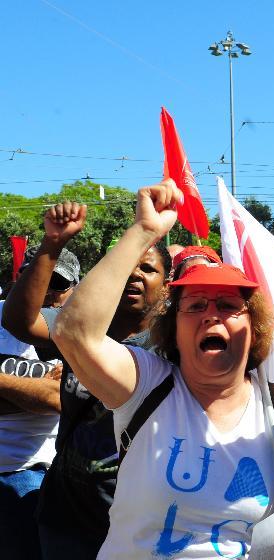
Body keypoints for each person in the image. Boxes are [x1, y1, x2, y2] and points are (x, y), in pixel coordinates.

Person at [48, 181, 274, 558]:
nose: (212, 315)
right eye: (194, 306)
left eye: (228, 304)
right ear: (173, 330)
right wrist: (143, 231)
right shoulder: (146, 384)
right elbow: (72, 332)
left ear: (254, 325)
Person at [2, 202, 171, 559]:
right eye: (127, 265)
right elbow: (19, 321)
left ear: (166, 285)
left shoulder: (174, 346)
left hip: (140, 518)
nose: (135, 275)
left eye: (148, 268)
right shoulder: (78, 329)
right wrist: (52, 244)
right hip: (68, 519)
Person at [0, 247, 77, 560]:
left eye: (56, 284)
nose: (44, 291)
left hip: (28, 476)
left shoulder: (74, 331)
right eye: (35, 279)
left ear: (74, 289)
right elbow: (47, 394)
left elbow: (59, 399)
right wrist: (34, 390)